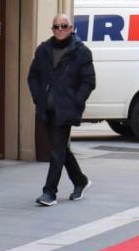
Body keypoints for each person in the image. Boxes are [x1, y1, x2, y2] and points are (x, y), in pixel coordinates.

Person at [27, 13, 94, 206]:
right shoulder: (43, 50)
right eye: (56, 26)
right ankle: (80, 181)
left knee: (56, 150)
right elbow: (33, 76)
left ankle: (49, 192)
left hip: (66, 109)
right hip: (47, 108)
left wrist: (77, 101)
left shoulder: (81, 52)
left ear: (71, 28)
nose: (60, 29)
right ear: (52, 29)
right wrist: (38, 97)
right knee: (60, 148)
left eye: (64, 26)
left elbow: (89, 81)